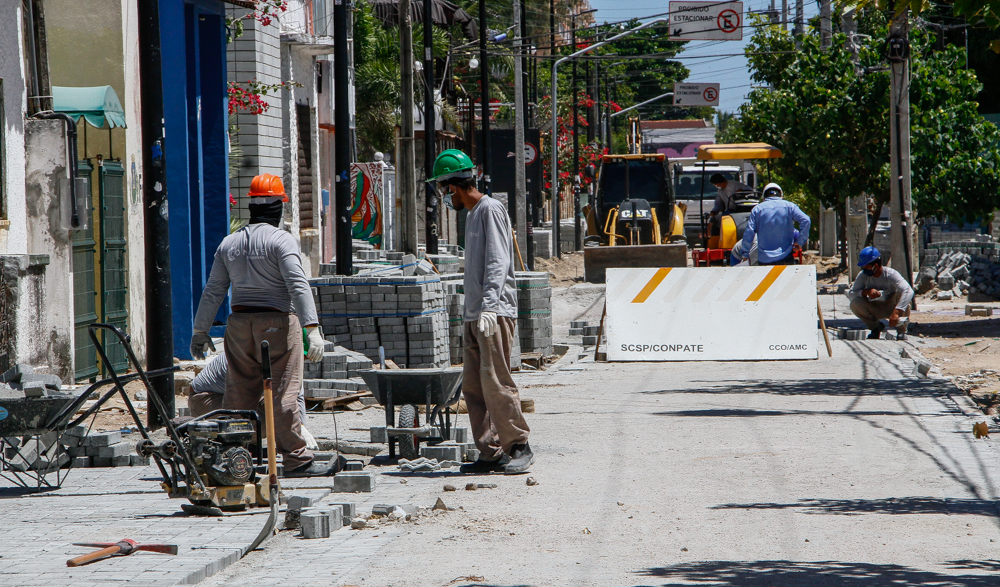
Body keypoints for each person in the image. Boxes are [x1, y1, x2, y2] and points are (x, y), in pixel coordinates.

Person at [190, 173, 329, 477]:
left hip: (239, 325)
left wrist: (200, 330)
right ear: (279, 206)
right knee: (283, 392)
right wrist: (312, 328)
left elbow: (213, 290)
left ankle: (235, 459)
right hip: (278, 322)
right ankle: (297, 460)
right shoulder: (282, 241)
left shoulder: (229, 243)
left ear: (250, 207)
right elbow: (298, 285)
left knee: (238, 394)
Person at [426, 149, 533, 475]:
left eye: (444, 191)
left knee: (496, 381)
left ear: (453, 187)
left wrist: (488, 306)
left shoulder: (490, 210)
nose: (445, 199)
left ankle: (518, 445)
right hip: (476, 314)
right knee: (474, 386)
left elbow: (499, 262)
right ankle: (489, 450)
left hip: (493, 312)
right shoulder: (473, 215)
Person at [187, 352, 318, 449]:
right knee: (265, 423)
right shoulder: (249, 357)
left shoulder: (286, 359)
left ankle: (248, 444)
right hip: (205, 397)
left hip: (240, 393)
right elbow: (241, 400)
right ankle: (235, 447)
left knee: (278, 418)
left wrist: (302, 428)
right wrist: (293, 427)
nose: (302, 360)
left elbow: (296, 396)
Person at [847, 246, 914, 339]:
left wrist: (896, 312)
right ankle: (876, 327)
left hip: (891, 306)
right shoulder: (863, 276)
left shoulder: (891, 274)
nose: (865, 269)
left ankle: (901, 330)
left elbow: (908, 290)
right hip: (875, 307)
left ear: (876, 265)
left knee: (902, 295)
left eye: (867, 266)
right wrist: (866, 291)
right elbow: (851, 294)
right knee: (855, 303)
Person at [738, 183, 810, 266]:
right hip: (786, 257)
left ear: (764, 196)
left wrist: (745, 254)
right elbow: (806, 220)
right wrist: (800, 242)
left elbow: (749, 233)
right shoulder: (790, 206)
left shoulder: (757, 209)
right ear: (781, 195)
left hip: (764, 259)